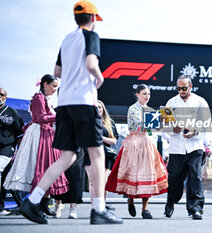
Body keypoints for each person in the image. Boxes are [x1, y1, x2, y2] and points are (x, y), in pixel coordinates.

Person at [19, 0, 123, 225]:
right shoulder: (91, 36)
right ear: (93, 19)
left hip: (64, 104)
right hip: (84, 102)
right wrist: (100, 77)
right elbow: (90, 63)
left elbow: (57, 71)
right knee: (97, 154)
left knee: (68, 156)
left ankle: (33, 200)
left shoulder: (66, 39)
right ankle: (99, 209)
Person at [5, 75, 69, 217]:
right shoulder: (38, 98)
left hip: (47, 134)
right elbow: (41, 118)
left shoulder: (45, 98)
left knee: (46, 168)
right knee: (39, 168)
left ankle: (44, 205)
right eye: (53, 86)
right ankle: (36, 206)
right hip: (39, 134)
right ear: (45, 84)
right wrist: (60, 115)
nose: (54, 90)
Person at [106, 84, 168, 219]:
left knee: (148, 174)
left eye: (149, 94)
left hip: (146, 143)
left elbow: (153, 129)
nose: (147, 96)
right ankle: (130, 200)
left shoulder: (150, 109)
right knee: (132, 174)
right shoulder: (133, 109)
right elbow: (136, 125)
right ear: (137, 94)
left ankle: (145, 209)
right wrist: (156, 120)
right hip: (134, 143)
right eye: (144, 94)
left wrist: (162, 120)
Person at [164, 74, 211, 220]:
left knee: (195, 177)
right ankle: (171, 202)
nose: (181, 91)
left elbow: (206, 122)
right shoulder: (171, 102)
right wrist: (173, 129)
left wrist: (194, 130)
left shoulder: (200, 101)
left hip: (195, 146)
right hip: (176, 148)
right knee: (174, 179)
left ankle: (195, 209)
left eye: (184, 88)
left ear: (190, 86)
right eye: (178, 88)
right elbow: (165, 127)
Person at [85, 100, 119, 212]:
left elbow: (114, 141)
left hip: (105, 155)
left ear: (103, 109)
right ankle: (95, 206)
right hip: (89, 153)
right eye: (96, 107)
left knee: (103, 181)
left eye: (100, 107)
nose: (98, 109)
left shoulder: (109, 123)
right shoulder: (87, 122)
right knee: (91, 181)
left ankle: (102, 205)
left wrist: (101, 137)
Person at [0, 87, 24, 216]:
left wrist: (19, 154)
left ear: (6, 97)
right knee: (8, 179)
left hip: (7, 148)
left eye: (2, 95)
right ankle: (21, 206)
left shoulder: (12, 113)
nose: (0, 97)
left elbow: (20, 135)